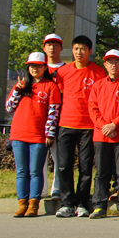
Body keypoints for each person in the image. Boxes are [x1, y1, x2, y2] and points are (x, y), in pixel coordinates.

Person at [54, 35, 107, 218]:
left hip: (89, 126)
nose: (79, 52)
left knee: (85, 167)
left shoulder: (98, 72)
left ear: (90, 51)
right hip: (66, 124)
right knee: (64, 166)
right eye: (76, 48)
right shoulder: (63, 72)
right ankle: (67, 203)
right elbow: (58, 97)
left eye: (83, 49)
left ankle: (82, 203)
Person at [6, 52, 60, 217]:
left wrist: (49, 134)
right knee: (21, 171)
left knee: (35, 171)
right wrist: (17, 91)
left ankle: (34, 204)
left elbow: (53, 112)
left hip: (38, 136)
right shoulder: (22, 85)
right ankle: (22, 203)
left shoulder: (50, 86)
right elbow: (9, 108)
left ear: (44, 67)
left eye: (38, 65)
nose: (34, 68)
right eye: (31, 66)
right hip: (18, 134)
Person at [88, 50, 119, 219]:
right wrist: (104, 126)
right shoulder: (98, 85)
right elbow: (92, 108)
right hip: (101, 135)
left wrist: (114, 124)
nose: (113, 65)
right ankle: (99, 206)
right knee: (101, 173)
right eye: (110, 62)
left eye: (117, 61)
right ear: (105, 65)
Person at [41, 33, 65, 201]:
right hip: (39, 118)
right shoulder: (38, 67)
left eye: (55, 44)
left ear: (61, 48)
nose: (52, 47)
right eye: (49, 44)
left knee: (58, 157)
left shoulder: (66, 69)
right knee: (40, 157)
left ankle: (56, 188)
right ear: (44, 47)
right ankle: (41, 189)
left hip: (60, 117)